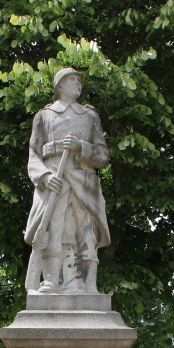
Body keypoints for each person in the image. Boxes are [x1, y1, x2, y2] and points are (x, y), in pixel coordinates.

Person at [24, 68, 110, 294]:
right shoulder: (44, 116)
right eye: (71, 79)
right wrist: (44, 177)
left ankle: (85, 284)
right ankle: (51, 280)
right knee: (53, 229)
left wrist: (81, 147)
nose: (77, 83)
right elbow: (33, 156)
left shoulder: (89, 116)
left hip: (83, 181)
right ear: (59, 85)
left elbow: (102, 156)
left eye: (79, 80)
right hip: (54, 179)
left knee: (84, 232)